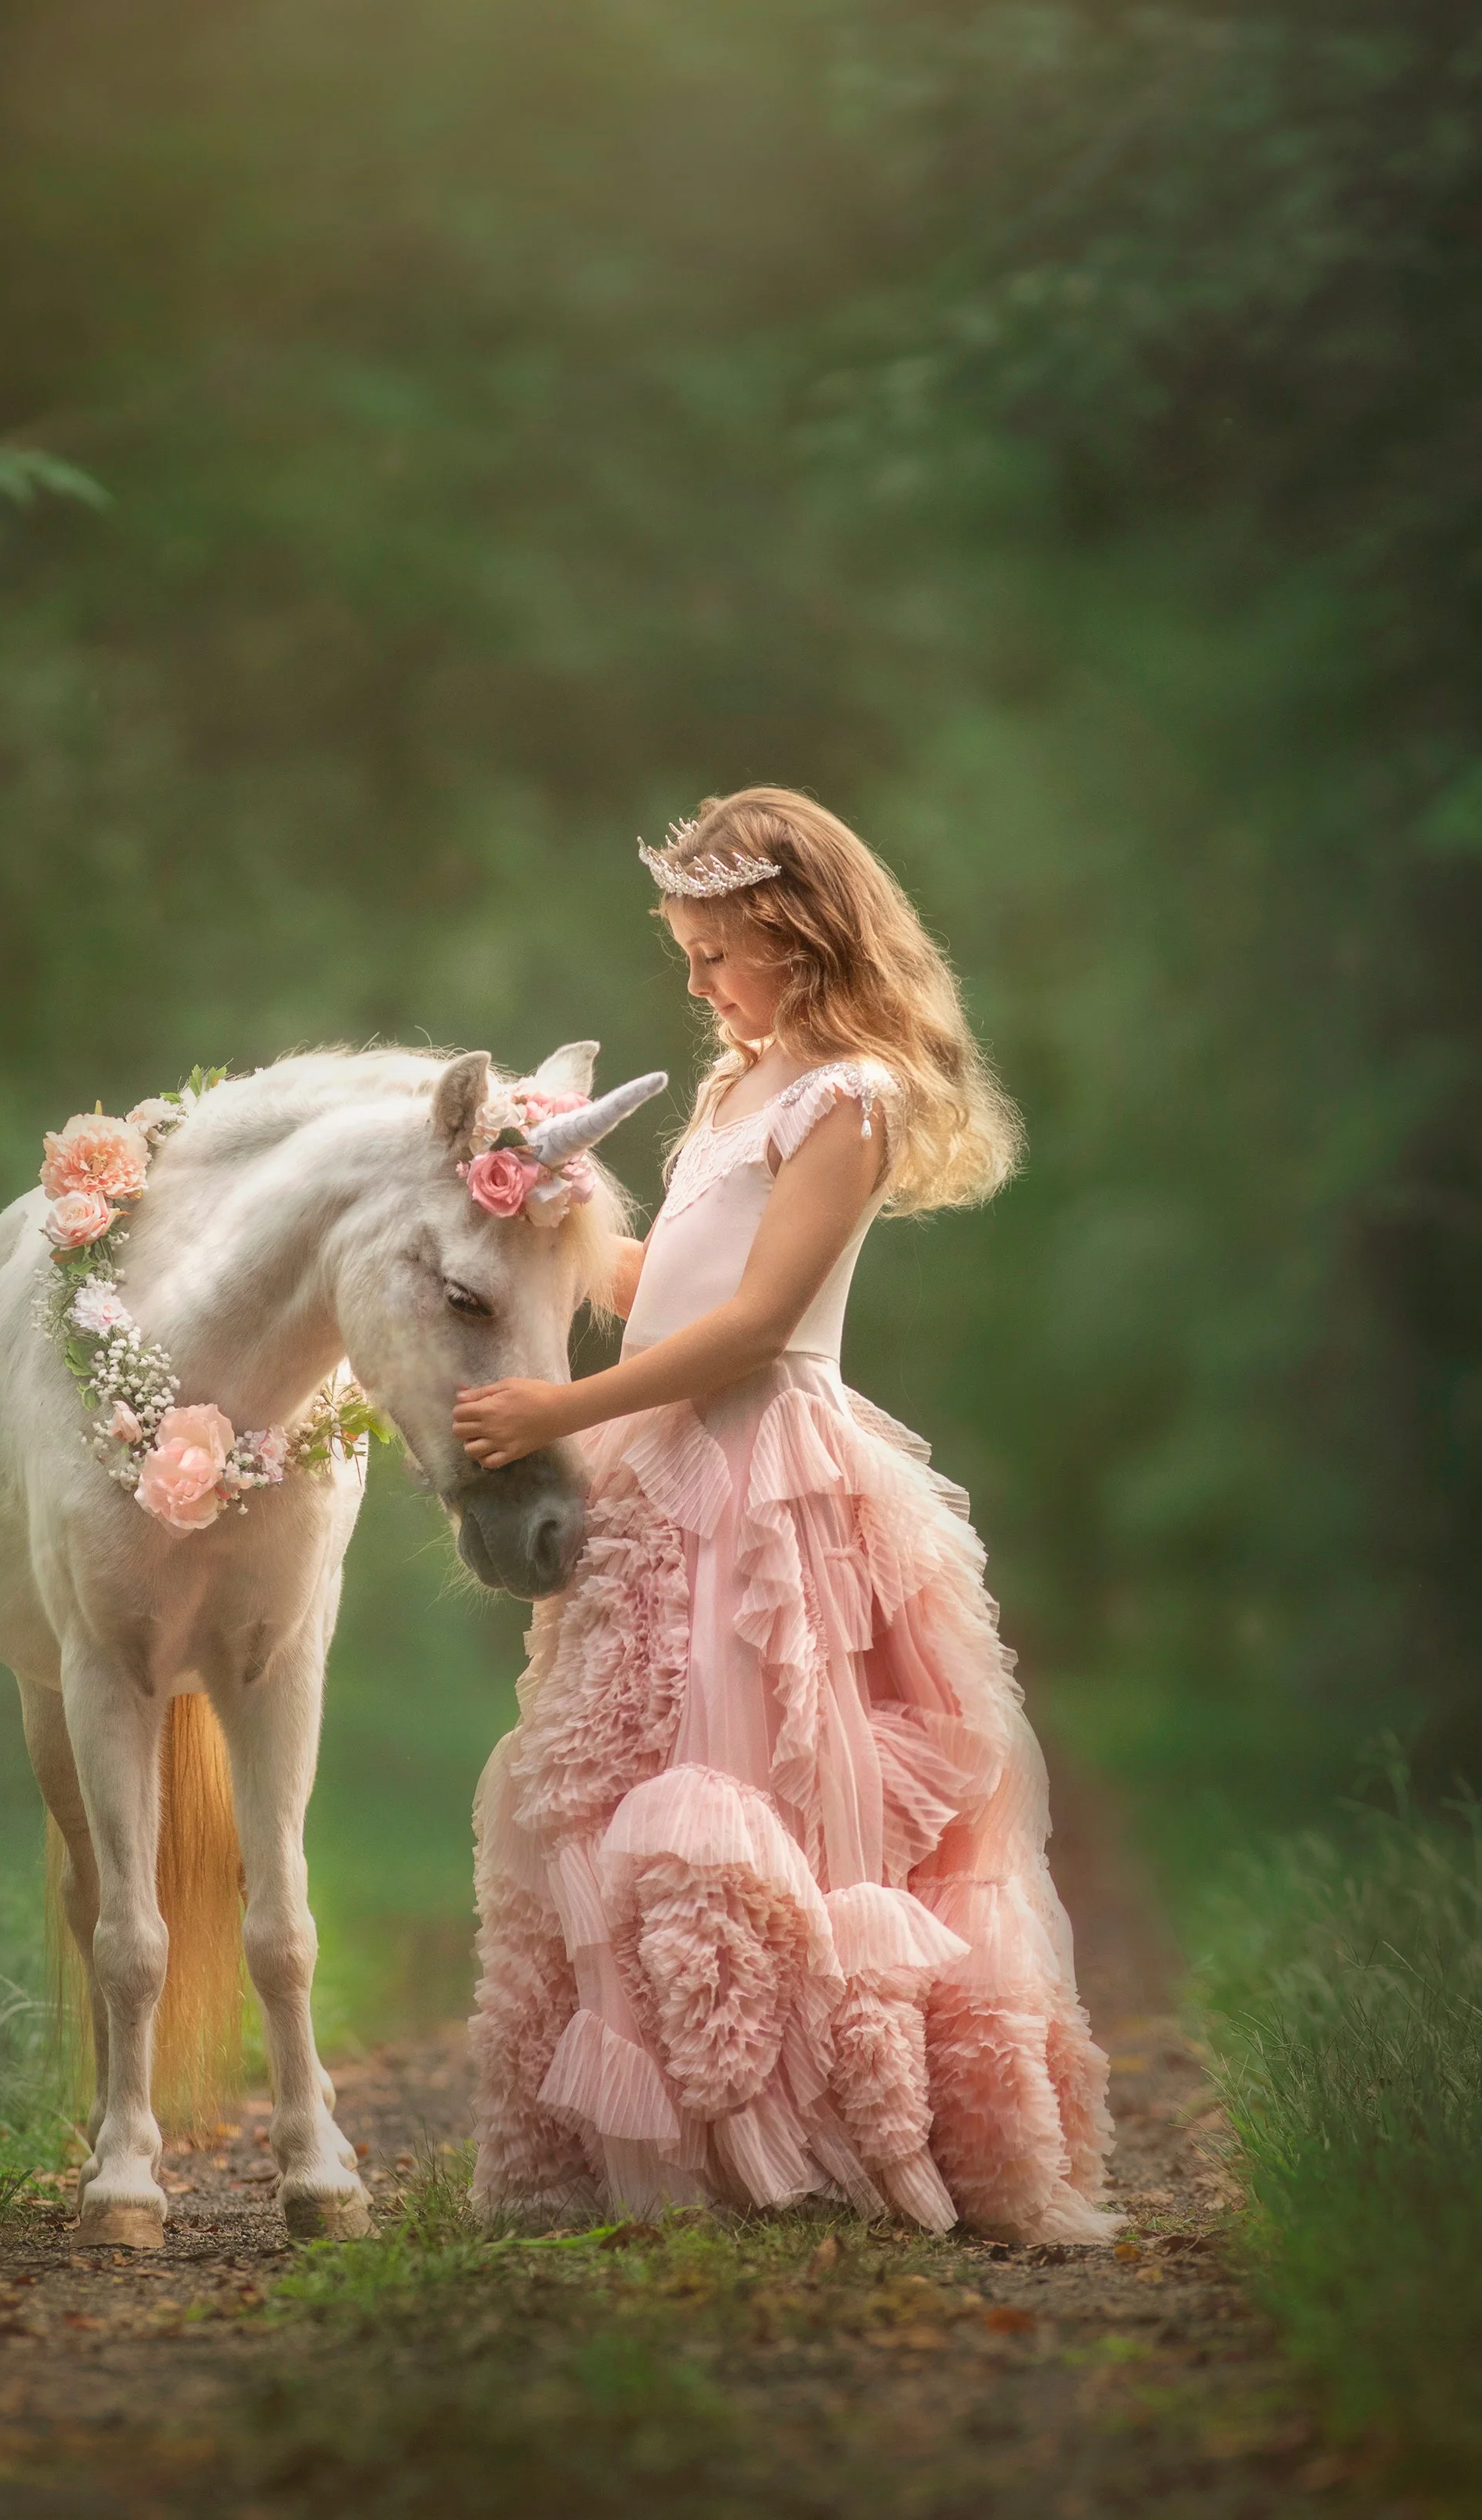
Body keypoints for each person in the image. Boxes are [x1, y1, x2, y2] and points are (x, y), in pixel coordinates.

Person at [452, 786, 1114, 2240]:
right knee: (624, 1773)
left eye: (715, 956)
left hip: (761, 1473)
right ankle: (673, 2135)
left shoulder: (850, 1097)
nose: (695, 986)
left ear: (800, 939)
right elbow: (653, 1288)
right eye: (684, 953)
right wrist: (539, 1203)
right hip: (655, 1457)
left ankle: (803, 2133)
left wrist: (558, 1411)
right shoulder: (732, 1087)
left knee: (761, 1774)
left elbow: (755, 1326)